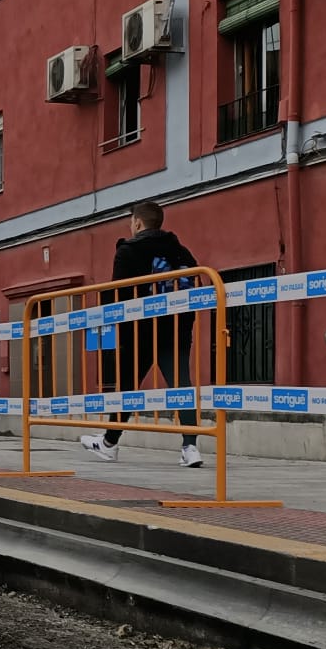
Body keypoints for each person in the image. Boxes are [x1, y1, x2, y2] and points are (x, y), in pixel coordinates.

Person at [80, 199, 204, 468]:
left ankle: (109, 444)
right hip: (176, 330)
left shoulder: (129, 251)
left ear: (137, 222)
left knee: (126, 388)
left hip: (139, 334)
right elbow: (196, 285)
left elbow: (119, 295)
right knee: (181, 386)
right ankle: (191, 447)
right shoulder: (181, 251)